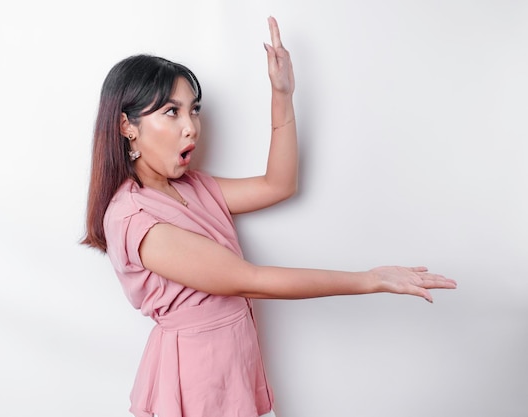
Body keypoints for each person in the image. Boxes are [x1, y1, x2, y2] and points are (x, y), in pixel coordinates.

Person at [81, 16, 457, 417]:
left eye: (194, 110)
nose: (191, 127)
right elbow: (252, 281)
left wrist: (282, 93)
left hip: (233, 361)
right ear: (127, 126)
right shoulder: (133, 217)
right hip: (194, 376)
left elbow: (279, 184)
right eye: (171, 112)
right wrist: (371, 279)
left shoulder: (190, 187)